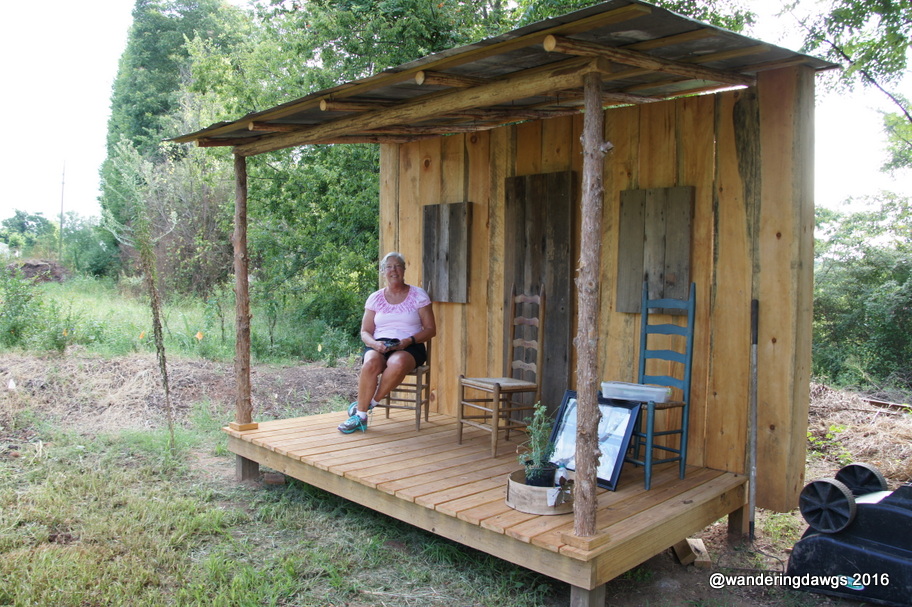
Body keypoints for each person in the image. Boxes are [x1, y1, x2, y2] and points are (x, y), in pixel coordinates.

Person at [338, 252, 437, 433]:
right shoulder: (375, 298)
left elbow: (431, 329)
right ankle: (360, 417)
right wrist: (375, 344)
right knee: (370, 363)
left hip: (410, 345)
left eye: (398, 266)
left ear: (404, 270)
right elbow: (365, 332)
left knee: (396, 362)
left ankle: (369, 403)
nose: (394, 270)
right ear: (383, 271)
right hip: (380, 343)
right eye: (389, 267)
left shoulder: (418, 295)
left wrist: (408, 340)